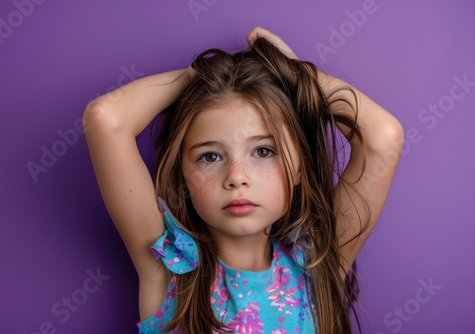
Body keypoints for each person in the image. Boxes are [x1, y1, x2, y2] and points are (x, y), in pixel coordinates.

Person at [83, 27, 403, 333]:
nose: (236, 177)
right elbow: (105, 119)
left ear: (299, 168)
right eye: (210, 157)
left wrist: (292, 74)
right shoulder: (169, 271)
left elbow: (383, 138)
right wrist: (199, 75)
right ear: (183, 174)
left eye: (264, 151)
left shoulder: (317, 264)